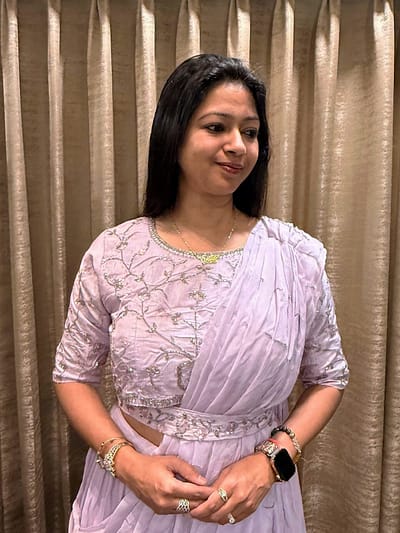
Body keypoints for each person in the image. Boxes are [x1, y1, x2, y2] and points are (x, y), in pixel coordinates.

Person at [53, 53, 349, 532]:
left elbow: (329, 376)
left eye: (250, 132)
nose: (237, 146)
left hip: (251, 505)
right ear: (173, 136)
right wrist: (127, 464)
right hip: (131, 498)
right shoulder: (115, 252)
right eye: (216, 127)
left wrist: (272, 461)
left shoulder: (295, 257)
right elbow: (72, 374)